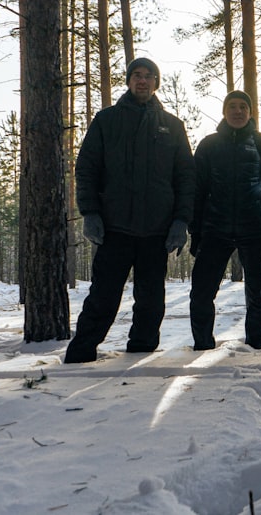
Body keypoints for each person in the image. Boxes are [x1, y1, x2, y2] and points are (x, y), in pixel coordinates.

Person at [65, 57, 196, 363]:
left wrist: (181, 221)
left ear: (156, 83)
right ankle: (81, 354)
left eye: (149, 76)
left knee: (151, 300)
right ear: (128, 80)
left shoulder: (172, 127)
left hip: (156, 230)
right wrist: (91, 213)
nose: (142, 81)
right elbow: (86, 169)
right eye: (137, 75)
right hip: (115, 228)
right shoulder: (107, 121)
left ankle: (140, 356)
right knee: (103, 297)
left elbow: (186, 177)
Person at [188, 90, 261, 350]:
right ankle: (202, 344)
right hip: (215, 229)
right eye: (232, 107)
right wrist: (196, 231)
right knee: (202, 292)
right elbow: (197, 189)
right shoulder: (209, 144)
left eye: (243, 107)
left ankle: (255, 347)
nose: (238, 111)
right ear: (224, 112)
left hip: (254, 229)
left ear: (250, 112)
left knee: (257, 294)